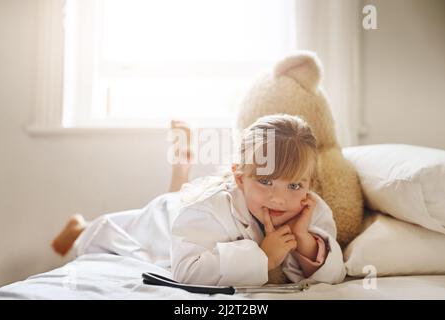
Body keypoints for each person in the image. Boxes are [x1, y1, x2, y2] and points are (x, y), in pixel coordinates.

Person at [51, 114, 346, 286]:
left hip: (189, 208)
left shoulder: (310, 210)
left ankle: (181, 170)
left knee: (179, 194)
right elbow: (187, 270)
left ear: (309, 184)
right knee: (128, 228)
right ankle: (81, 227)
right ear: (240, 178)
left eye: (294, 185)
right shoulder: (212, 208)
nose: (279, 198)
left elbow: (334, 273)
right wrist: (262, 257)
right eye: (266, 181)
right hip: (169, 219)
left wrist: (305, 240)